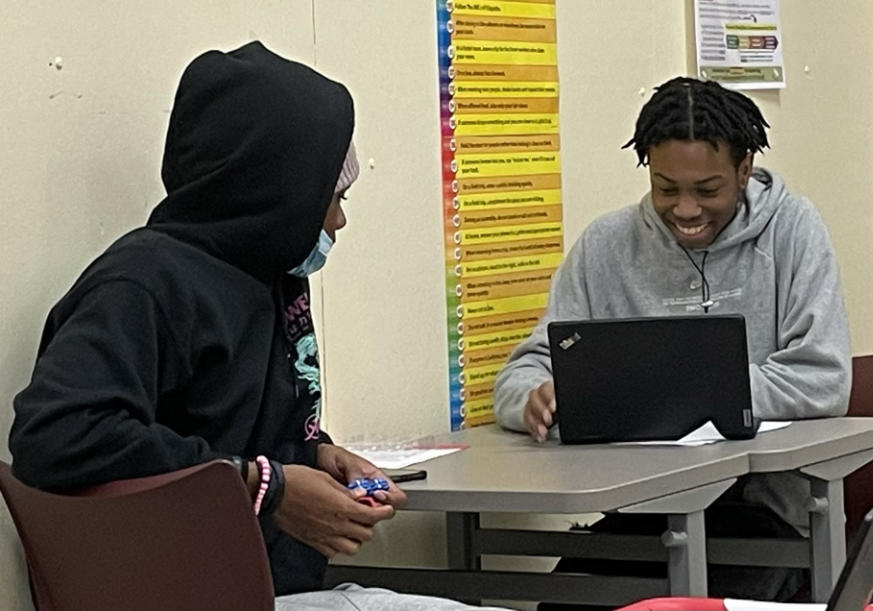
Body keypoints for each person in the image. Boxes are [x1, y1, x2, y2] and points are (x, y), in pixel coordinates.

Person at [9, 42, 509, 611]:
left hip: (263, 586)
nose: (339, 221)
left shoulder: (266, 274)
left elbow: (224, 421)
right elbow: (55, 435)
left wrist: (312, 452)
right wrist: (264, 486)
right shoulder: (144, 283)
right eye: (331, 198)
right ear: (271, 190)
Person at [494, 77, 852, 604]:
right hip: (640, 511)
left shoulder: (793, 230)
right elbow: (525, 370)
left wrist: (685, 393)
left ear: (745, 169)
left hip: (766, 521)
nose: (686, 210)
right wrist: (535, 397)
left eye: (708, 190)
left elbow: (823, 379)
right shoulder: (605, 245)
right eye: (666, 188)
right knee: (563, 601)